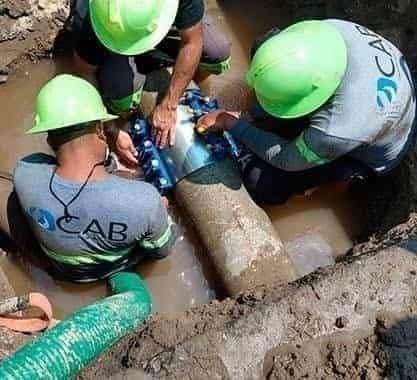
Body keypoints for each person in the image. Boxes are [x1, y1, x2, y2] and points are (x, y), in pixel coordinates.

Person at [197, 20, 417, 205]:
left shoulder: (337, 129)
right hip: (367, 98)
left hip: (365, 153)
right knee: (264, 47)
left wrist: (230, 124)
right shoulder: (327, 33)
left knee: (264, 184)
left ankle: (332, 180)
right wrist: (249, 114)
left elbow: (286, 158)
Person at [12, 74, 176, 283]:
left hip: (61, 270)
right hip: (116, 269)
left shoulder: (26, 172)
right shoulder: (144, 201)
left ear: (48, 137)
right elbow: (163, 251)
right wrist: (160, 211)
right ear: (100, 130)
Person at [67, 0, 231, 152]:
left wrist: (170, 104)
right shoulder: (93, 16)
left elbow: (192, 41)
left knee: (218, 53)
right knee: (122, 100)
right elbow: (84, 73)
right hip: (116, 34)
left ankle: (190, 81)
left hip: (157, 20)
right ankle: (125, 112)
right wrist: (110, 128)